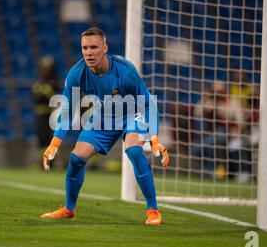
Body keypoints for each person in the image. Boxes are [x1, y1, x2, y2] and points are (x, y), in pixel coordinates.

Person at [40, 27, 169, 224]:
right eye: (84, 48)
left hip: (132, 114)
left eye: (94, 47)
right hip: (104, 116)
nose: (89, 52)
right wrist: (54, 144)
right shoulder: (76, 74)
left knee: (134, 151)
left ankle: (153, 210)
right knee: (76, 158)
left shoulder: (125, 71)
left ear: (105, 48)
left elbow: (148, 103)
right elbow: (67, 111)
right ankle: (69, 208)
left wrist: (155, 140)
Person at [32, 56, 59, 150]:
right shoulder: (41, 81)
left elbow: (46, 95)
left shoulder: (53, 82)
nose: (44, 70)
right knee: (41, 138)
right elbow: (34, 95)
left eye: (46, 68)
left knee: (47, 137)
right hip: (39, 113)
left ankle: (51, 160)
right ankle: (43, 160)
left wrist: (41, 91)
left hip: (49, 113)